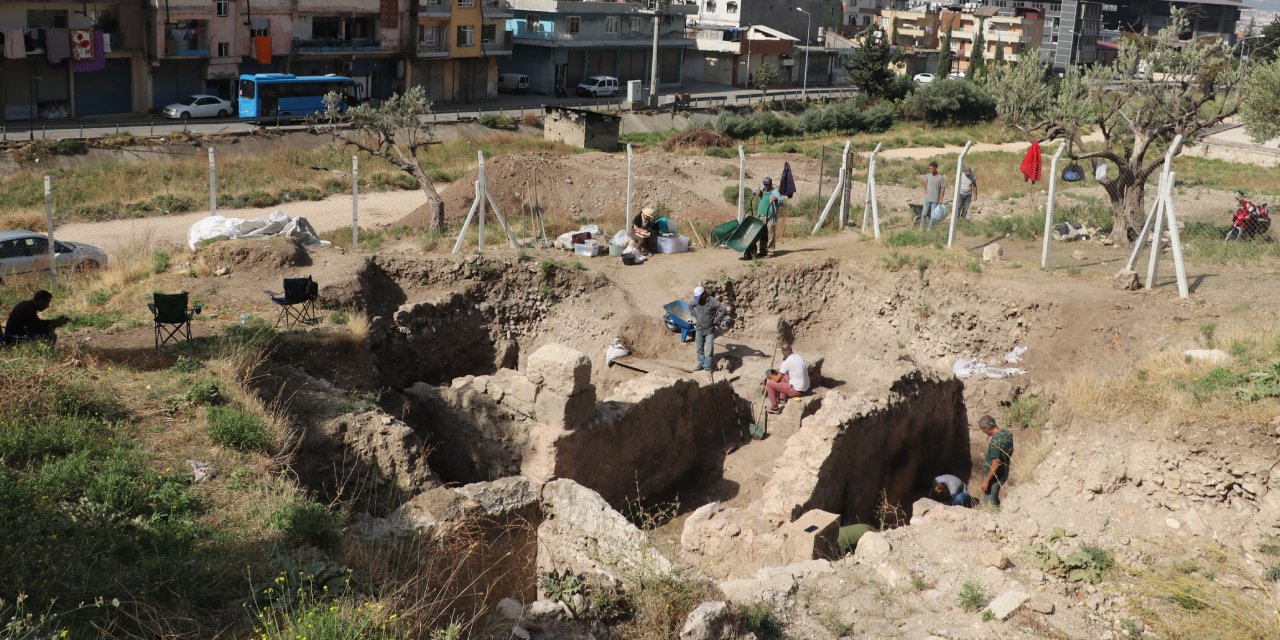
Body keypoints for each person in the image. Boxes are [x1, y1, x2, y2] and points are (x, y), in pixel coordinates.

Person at [4, 290, 69, 344]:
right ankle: (46, 355)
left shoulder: (28, 305)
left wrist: (54, 321)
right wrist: (54, 325)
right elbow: (39, 330)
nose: (47, 306)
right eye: (47, 303)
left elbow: (37, 323)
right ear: (40, 301)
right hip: (13, 338)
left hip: (12, 336)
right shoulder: (28, 310)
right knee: (50, 336)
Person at [978, 415, 1013, 507]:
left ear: (986, 428)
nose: (983, 432)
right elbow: (1011, 450)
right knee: (994, 497)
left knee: (990, 502)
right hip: (1003, 473)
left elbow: (995, 464)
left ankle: (994, 515)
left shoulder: (995, 441)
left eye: (983, 430)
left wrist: (986, 481)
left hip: (994, 477)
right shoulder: (1007, 433)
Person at [746, 176, 785, 259]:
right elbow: (753, 191)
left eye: (767, 185)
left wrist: (776, 200)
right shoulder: (762, 190)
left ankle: (770, 252)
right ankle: (762, 251)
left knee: (770, 234)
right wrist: (755, 191)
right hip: (760, 216)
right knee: (762, 234)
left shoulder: (775, 191)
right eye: (765, 184)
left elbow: (782, 201)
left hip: (770, 217)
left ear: (771, 184)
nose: (766, 186)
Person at [689, 286, 726, 371]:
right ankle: (701, 364)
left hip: (709, 330)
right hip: (699, 329)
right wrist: (696, 315)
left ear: (704, 294)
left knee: (709, 350)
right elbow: (690, 306)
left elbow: (723, 310)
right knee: (699, 349)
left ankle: (707, 366)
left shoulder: (713, 301)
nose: (698, 299)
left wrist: (717, 320)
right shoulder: (696, 300)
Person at [764, 342, 809, 414]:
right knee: (784, 375)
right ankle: (782, 399)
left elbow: (777, 379)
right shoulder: (797, 356)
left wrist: (769, 375)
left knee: (769, 383)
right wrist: (774, 371)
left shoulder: (787, 362)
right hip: (805, 389)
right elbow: (783, 370)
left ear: (783, 351)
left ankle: (774, 408)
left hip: (797, 391)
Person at [920, 162, 946, 229]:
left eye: (932, 168)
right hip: (927, 199)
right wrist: (926, 189)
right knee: (924, 214)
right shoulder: (928, 175)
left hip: (935, 200)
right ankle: (921, 229)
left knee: (933, 216)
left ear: (935, 168)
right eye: (930, 168)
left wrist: (941, 198)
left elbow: (943, 188)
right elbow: (922, 181)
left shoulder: (941, 177)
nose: (930, 170)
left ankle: (929, 229)